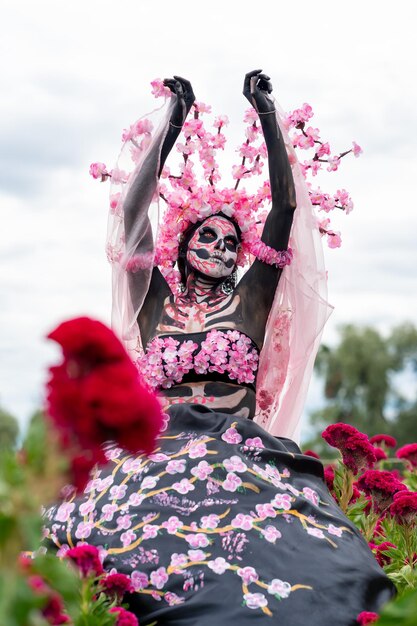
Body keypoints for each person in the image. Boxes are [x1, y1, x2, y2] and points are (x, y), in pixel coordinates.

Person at [44, 71, 394, 624]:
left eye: (232, 242)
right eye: (208, 236)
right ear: (182, 246)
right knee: (87, 546)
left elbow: (283, 210)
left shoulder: (251, 301)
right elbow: (133, 217)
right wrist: (171, 126)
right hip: (149, 459)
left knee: (295, 567)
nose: (222, 248)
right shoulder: (152, 302)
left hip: (236, 456)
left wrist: (268, 116)